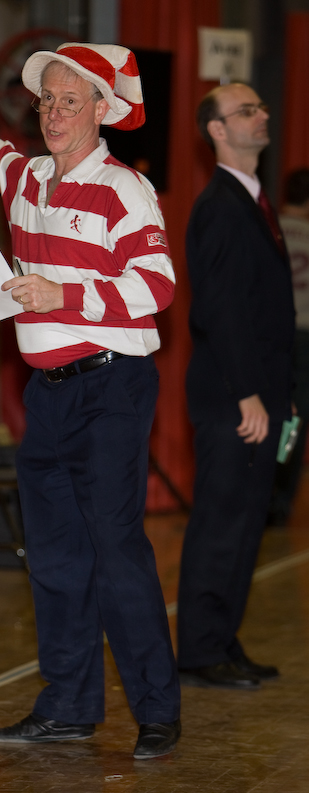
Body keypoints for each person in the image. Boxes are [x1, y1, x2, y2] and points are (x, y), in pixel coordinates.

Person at [0, 42, 181, 760]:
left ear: (102, 109)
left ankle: (156, 710)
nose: (52, 113)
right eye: (46, 100)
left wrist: (63, 293)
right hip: (49, 395)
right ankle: (67, 707)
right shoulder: (25, 176)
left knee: (115, 548)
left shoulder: (124, 189)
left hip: (112, 386)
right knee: (54, 556)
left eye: (69, 100)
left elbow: (157, 286)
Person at [177, 83, 295, 689]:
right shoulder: (220, 206)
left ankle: (222, 638)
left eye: (261, 106)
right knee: (222, 519)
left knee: (248, 521)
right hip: (232, 395)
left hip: (258, 392)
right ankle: (200, 649)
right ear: (218, 130)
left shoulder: (251, 199)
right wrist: (248, 391)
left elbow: (264, 310)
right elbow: (219, 310)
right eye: (247, 110)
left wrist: (280, 391)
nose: (262, 115)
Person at [268, 168, 309, 525]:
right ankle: (281, 501)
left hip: (271, 334)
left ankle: (261, 494)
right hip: (305, 334)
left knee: (266, 411)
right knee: (297, 419)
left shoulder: (269, 228)